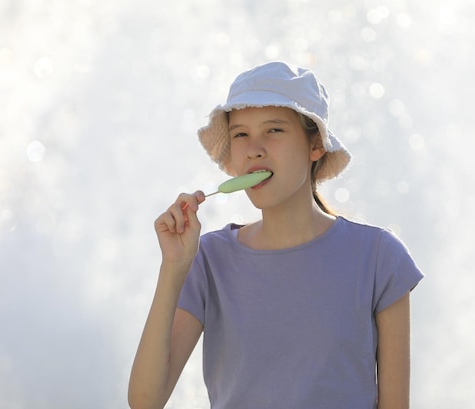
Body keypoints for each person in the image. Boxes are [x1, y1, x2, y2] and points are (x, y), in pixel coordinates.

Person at [128, 61, 424, 409]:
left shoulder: (378, 257)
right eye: (240, 134)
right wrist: (173, 268)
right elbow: (145, 402)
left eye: (274, 130)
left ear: (315, 146)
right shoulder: (207, 259)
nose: (254, 147)